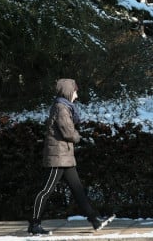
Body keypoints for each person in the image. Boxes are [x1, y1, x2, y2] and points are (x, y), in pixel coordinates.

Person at [28, 78, 115, 235]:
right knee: (45, 191)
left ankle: (95, 220)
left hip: (65, 156)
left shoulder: (64, 107)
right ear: (68, 91)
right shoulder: (61, 107)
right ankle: (34, 224)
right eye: (75, 91)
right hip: (58, 156)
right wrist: (77, 136)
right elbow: (68, 132)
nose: (76, 94)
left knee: (78, 190)